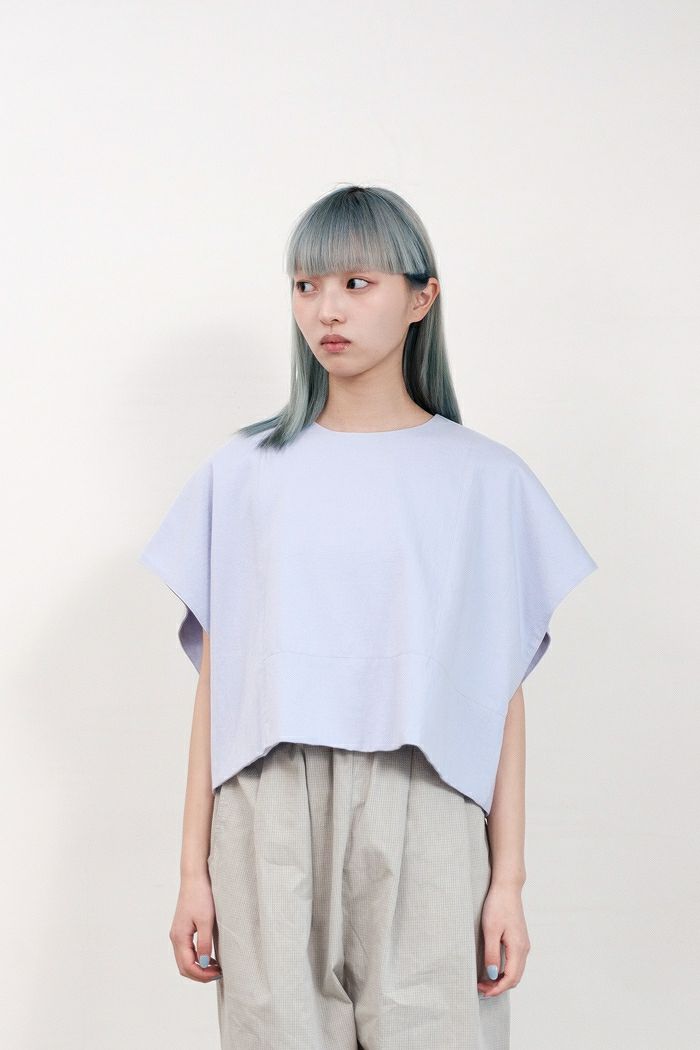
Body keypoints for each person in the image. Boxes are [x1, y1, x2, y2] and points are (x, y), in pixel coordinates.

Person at [138, 184, 598, 1049]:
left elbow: (497, 692)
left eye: (357, 283)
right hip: (269, 805)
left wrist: (507, 881)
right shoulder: (244, 471)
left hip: (429, 803)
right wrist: (192, 871)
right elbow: (221, 684)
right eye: (306, 285)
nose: (327, 311)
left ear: (421, 297)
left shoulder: (484, 479)